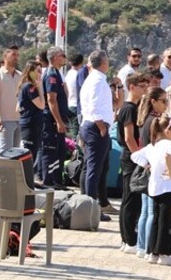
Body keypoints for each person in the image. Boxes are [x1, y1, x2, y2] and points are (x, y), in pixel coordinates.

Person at [131, 115, 171, 266]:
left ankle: (152, 252)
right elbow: (168, 156)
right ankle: (164, 253)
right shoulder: (169, 144)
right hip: (166, 186)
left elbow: (135, 156)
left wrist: (148, 165)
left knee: (155, 219)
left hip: (154, 186)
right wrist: (170, 171)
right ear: (167, 131)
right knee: (164, 220)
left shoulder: (152, 146)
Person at [116, 73, 148, 253]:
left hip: (131, 156)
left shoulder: (133, 107)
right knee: (130, 199)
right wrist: (139, 157)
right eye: (142, 87)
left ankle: (126, 238)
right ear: (132, 87)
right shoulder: (129, 109)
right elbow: (129, 137)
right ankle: (129, 239)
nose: (144, 90)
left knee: (130, 198)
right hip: (131, 156)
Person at [78, 49, 114, 205]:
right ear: (104, 63)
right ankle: (90, 206)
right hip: (95, 126)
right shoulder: (97, 80)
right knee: (94, 168)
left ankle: (89, 204)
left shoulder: (94, 78)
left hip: (91, 125)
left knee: (92, 166)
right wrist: (101, 126)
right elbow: (93, 105)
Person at [40, 47, 70, 186]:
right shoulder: (52, 75)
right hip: (51, 120)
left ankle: (57, 181)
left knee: (59, 151)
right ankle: (49, 181)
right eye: (63, 55)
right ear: (56, 57)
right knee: (51, 151)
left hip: (56, 119)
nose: (65, 58)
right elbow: (51, 99)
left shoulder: (57, 73)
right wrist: (58, 121)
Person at [0, 46, 23, 154]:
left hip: (19, 120)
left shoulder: (20, 75)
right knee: (6, 153)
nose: (16, 57)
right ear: (5, 56)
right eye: (13, 55)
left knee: (16, 153)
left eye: (17, 55)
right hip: (5, 121)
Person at [18, 61, 47, 155]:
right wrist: (40, 88)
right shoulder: (30, 87)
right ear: (31, 72)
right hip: (31, 124)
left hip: (28, 123)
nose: (40, 73)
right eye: (38, 71)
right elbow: (42, 105)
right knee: (30, 154)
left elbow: (17, 108)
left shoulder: (23, 85)